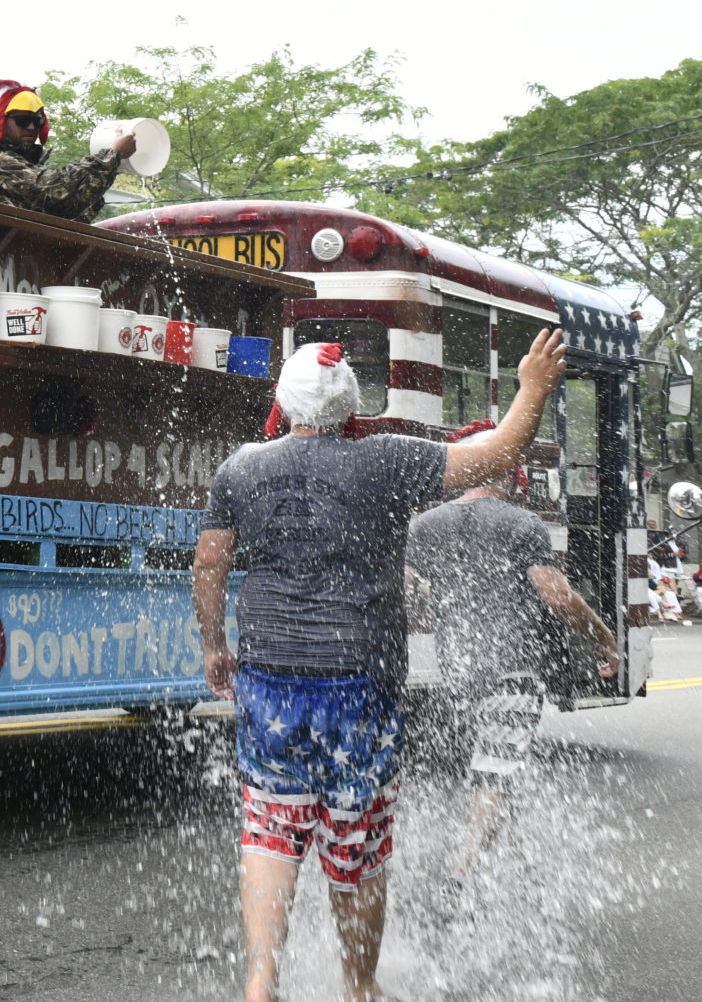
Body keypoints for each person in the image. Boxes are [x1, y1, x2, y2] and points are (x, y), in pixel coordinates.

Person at [194, 326, 568, 1002]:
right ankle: (359, 987)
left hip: (270, 677)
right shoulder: (387, 459)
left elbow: (211, 560)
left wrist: (214, 643)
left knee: (271, 827)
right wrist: (533, 387)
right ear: (350, 404)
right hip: (359, 681)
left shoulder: (240, 466)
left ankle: (260, 979)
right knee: (356, 842)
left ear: (284, 400)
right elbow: (498, 454)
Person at [407, 446, 619, 912]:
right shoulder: (521, 524)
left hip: (458, 672)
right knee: (496, 775)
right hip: (512, 672)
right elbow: (557, 597)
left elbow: (406, 585)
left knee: (494, 768)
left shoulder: (425, 525)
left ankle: (524, 869)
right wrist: (605, 638)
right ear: (512, 479)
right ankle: (457, 880)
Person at [0, 80, 133, 223]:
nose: (31, 127)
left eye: (37, 121)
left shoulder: (27, 164)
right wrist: (110, 157)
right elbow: (54, 193)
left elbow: (65, 218)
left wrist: (109, 169)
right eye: (23, 120)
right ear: (3, 121)